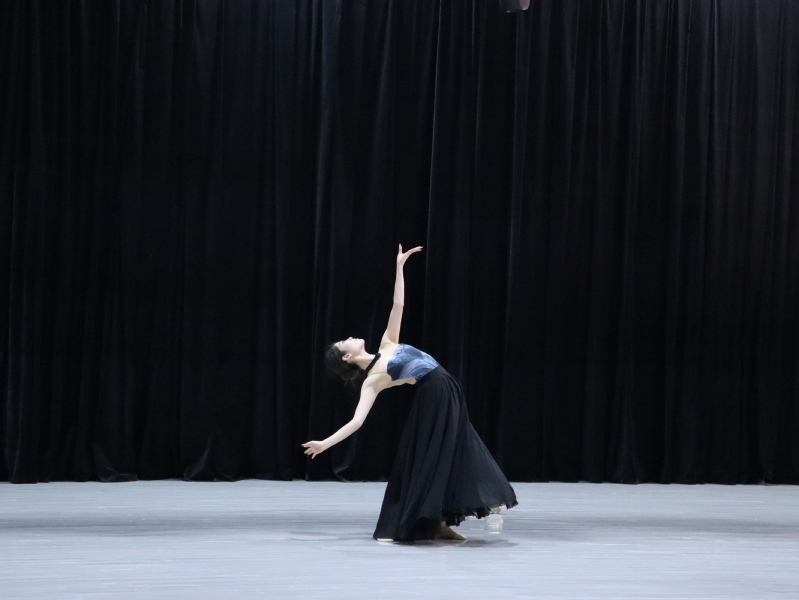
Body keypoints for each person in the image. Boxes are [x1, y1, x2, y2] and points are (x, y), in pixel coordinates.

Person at [302, 244, 517, 542]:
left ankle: (440, 522)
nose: (349, 337)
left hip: (448, 389)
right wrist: (325, 444)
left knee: (454, 450)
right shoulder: (372, 380)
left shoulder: (387, 343)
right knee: (438, 456)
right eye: (344, 342)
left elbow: (398, 305)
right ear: (347, 357)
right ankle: (431, 522)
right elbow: (357, 421)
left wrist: (399, 268)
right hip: (434, 395)